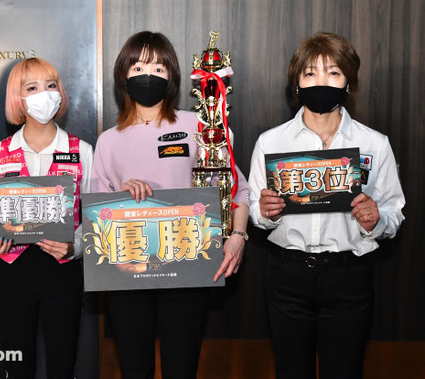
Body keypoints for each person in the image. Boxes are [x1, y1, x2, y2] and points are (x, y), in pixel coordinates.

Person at [91, 31, 250, 379]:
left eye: (158, 68)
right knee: (134, 368)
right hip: (128, 269)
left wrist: (238, 236)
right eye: (138, 67)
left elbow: (237, 189)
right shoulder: (108, 141)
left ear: (172, 76)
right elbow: (95, 216)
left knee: (182, 365)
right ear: (123, 75)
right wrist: (121, 194)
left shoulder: (198, 126)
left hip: (186, 265)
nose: (148, 75)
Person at [248, 32, 405, 379]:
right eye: (310, 73)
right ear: (296, 83)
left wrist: (377, 219)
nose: (322, 81)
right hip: (287, 275)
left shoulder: (374, 143)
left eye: (333, 72)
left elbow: (394, 212)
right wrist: (266, 212)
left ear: (349, 82)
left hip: (348, 276)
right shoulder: (271, 142)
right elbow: (256, 213)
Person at [0, 57, 93, 379]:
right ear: (18, 98)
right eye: (32, 87)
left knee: (63, 362)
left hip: (63, 269)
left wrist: (75, 246)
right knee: (18, 364)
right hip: (13, 269)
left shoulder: (82, 151)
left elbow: (94, 216)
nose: (44, 93)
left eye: (50, 85)